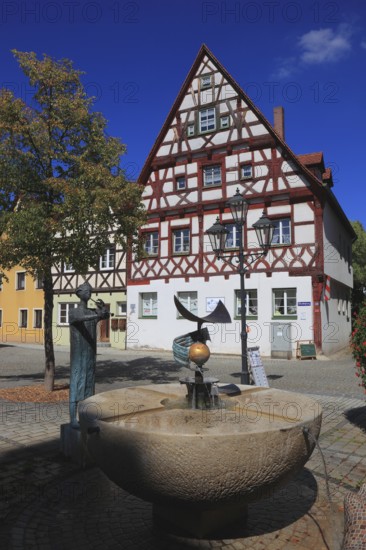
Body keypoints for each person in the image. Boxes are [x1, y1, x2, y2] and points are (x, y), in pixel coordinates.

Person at [69, 281, 110, 428]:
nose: (89, 293)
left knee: (89, 385)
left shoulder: (92, 311)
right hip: (78, 356)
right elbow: (78, 319)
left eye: (90, 291)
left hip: (90, 355)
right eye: (87, 290)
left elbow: (105, 316)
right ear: (79, 292)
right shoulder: (73, 311)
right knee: (76, 384)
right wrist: (96, 315)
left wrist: (102, 309)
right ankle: (73, 419)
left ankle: (88, 416)